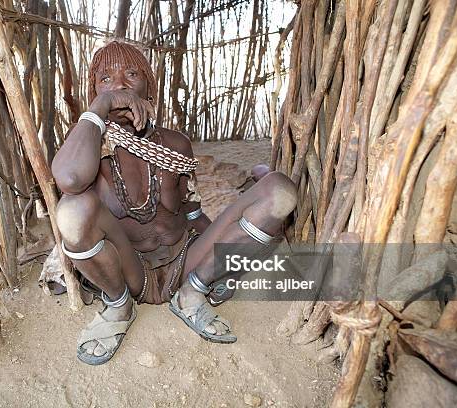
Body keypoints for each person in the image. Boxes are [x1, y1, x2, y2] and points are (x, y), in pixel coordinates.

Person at [52, 41, 297, 365]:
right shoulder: (87, 145)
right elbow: (69, 180)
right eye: (105, 80)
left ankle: (191, 295)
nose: (120, 85)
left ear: (148, 86)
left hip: (185, 261)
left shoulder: (175, 144)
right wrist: (103, 106)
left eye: (131, 74)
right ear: (94, 93)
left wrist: (223, 264)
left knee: (279, 191)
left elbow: (191, 210)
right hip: (130, 270)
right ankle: (118, 306)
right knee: (72, 211)